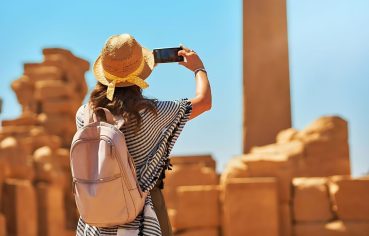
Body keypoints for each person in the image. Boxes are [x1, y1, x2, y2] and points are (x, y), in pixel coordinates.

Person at [74, 33, 212, 236]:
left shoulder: (84, 114)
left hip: (97, 220)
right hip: (141, 219)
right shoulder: (152, 113)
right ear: (140, 75)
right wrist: (198, 68)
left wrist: (135, 71)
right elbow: (204, 101)